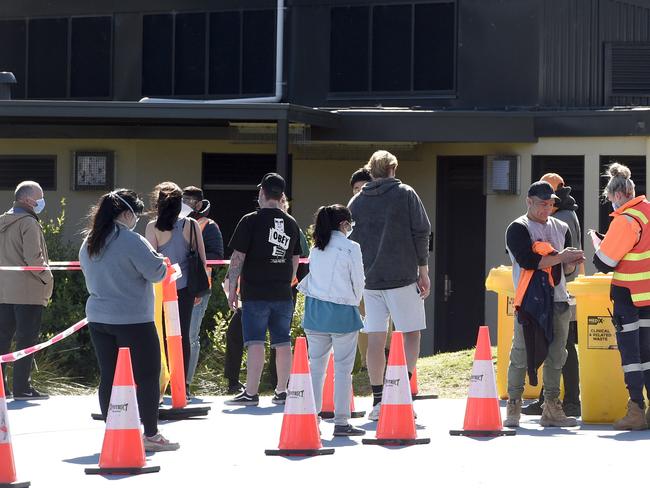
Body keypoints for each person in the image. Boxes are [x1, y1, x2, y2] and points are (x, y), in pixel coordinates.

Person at [79, 189, 179, 451]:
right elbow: (157, 272)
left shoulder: (90, 240)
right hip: (133, 319)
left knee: (109, 376)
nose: (136, 220)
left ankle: (114, 430)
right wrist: (164, 263)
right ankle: (151, 435)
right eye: (135, 215)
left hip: (99, 317)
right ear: (125, 214)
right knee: (147, 376)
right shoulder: (131, 240)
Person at [348, 150, 431, 421]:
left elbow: (350, 239)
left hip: (369, 280)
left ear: (370, 171)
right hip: (402, 276)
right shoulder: (406, 193)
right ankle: (402, 393)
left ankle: (378, 399)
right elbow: (421, 231)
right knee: (411, 334)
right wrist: (423, 269)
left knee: (375, 338)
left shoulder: (357, 201)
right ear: (393, 169)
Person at [503, 181, 584, 428]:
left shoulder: (561, 226)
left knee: (557, 355)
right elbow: (529, 261)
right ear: (529, 201)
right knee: (521, 354)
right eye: (542, 204)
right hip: (529, 301)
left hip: (559, 298)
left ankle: (552, 406)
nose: (546, 209)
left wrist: (571, 261)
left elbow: (567, 271)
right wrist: (561, 257)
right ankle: (513, 406)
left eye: (550, 204)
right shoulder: (518, 227)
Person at [224, 173, 301, 407]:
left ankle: (251, 392)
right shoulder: (291, 222)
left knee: (255, 341)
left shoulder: (250, 220)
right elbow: (295, 259)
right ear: (281, 196)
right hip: (282, 293)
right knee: (282, 341)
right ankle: (282, 391)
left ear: (262, 193)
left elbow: (237, 258)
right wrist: (285, 281)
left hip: (255, 293)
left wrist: (232, 289)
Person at [298, 204, 365, 436]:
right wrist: (355, 302)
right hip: (343, 311)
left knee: (316, 368)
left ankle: (311, 419)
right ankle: (341, 422)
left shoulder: (317, 249)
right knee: (343, 370)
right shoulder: (351, 247)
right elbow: (359, 281)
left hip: (315, 311)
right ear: (344, 224)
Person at [593, 163, 650, 430]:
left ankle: (636, 409)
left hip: (629, 298)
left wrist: (600, 244)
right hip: (648, 296)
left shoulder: (626, 219)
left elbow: (604, 262)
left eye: (610, 199)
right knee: (649, 353)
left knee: (632, 355)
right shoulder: (647, 213)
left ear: (616, 195)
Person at [145, 182, 207, 396]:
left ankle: (160, 382)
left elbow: (151, 260)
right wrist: (200, 290)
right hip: (187, 288)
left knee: (160, 335)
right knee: (181, 337)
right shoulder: (191, 225)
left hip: (162, 289)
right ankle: (182, 386)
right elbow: (202, 258)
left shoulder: (152, 227)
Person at [0, 181, 52, 401]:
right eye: (39, 197)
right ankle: (22, 387)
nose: (41, 202)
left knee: (2, 340)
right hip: (28, 292)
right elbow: (34, 259)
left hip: (3, 291)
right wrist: (48, 279)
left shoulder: (2, 221)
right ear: (28, 200)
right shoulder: (29, 223)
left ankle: (2, 388)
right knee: (26, 341)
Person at [181, 186, 224, 392]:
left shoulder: (209, 226)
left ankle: (185, 383)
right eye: (183, 199)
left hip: (197, 288)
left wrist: (195, 258)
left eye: (189, 200)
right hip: (174, 287)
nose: (185, 204)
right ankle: (170, 381)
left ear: (199, 203)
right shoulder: (174, 223)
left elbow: (217, 256)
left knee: (190, 336)